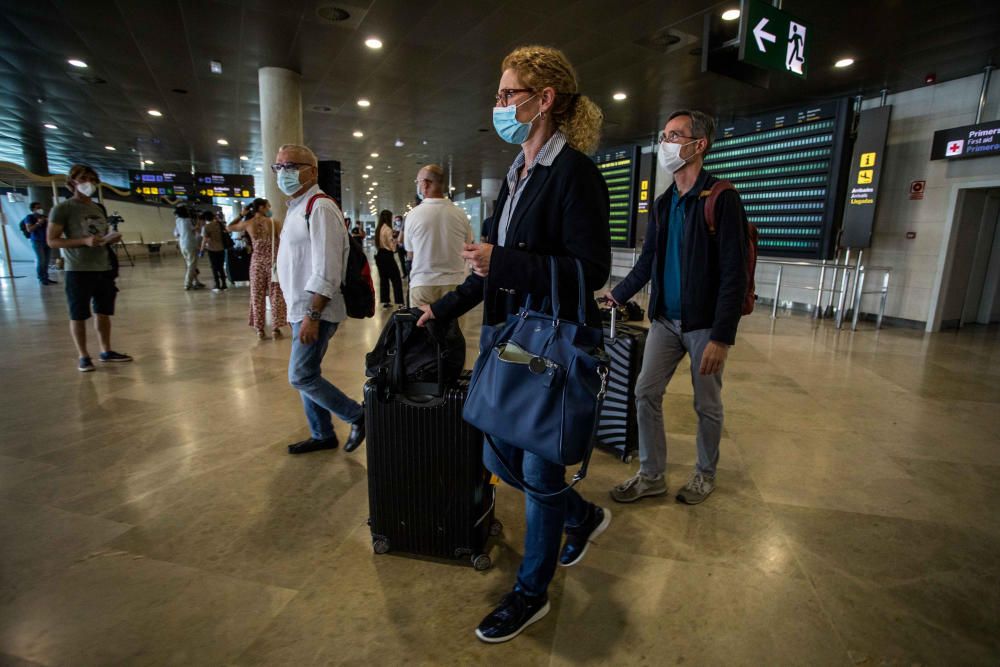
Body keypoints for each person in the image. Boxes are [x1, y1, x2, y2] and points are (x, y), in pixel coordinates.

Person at [417, 45, 611, 643]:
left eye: (507, 95)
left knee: (536, 464)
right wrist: (442, 309)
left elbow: (590, 271)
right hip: (510, 338)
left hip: (549, 347)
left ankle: (532, 592)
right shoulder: (519, 174)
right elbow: (491, 271)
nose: (498, 105)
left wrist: (507, 260)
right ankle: (583, 515)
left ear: (543, 99)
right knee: (496, 451)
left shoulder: (575, 174)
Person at [606, 109, 748, 507]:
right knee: (644, 392)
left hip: (705, 326)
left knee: (707, 404)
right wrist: (619, 293)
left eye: (675, 135)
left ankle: (705, 474)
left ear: (698, 145)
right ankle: (651, 474)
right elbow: (649, 260)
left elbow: (733, 275)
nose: (666, 143)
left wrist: (722, 336)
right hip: (666, 322)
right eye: (665, 135)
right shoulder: (665, 203)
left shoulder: (722, 198)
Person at [273, 143, 366, 455]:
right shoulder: (297, 207)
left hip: (316, 309)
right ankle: (322, 433)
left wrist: (313, 316)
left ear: (311, 171)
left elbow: (327, 267)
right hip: (301, 308)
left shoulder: (320, 207)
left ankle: (358, 415)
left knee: (300, 375)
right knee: (307, 375)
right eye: (278, 167)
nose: (282, 173)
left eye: (290, 166)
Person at [47, 164, 132, 372]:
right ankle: (83, 355)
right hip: (78, 268)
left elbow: (100, 235)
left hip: (102, 266)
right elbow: (52, 241)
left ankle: (106, 350)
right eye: (84, 178)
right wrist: (83, 241)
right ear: (72, 182)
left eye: (93, 179)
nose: (89, 183)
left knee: (103, 312)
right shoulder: (62, 209)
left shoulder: (98, 208)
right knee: (78, 313)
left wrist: (110, 238)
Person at [403, 165, 472, 308]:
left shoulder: (413, 215)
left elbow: (410, 254)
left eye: (418, 182)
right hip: (455, 284)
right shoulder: (460, 214)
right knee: (453, 330)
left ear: (425, 184)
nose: (418, 186)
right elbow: (467, 248)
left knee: (422, 328)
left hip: (423, 284)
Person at [227, 198, 288, 339]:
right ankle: (275, 328)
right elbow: (284, 241)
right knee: (276, 295)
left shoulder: (248, 223)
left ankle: (260, 330)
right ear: (261, 207)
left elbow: (229, 227)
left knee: (257, 295)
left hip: (256, 263)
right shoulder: (274, 223)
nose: (270, 208)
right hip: (273, 263)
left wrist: (242, 214)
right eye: (268, 206)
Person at [373, 209, 404, 308]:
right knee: (396, 279)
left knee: (384, 279)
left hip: (379, 255)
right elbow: (393, 247)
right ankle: (399, 302)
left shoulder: (379, 229)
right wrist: (395, 240)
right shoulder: (388, 230)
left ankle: (385, 301)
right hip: (387, 255)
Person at [20, 201, 56, 285]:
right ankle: (41, 278)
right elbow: (29, 229)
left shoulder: (44, 217)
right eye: (38, 208)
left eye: (40, 207)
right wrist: (39, 223)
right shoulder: (29, 217)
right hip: (37, 241)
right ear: (33, 209)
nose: (40, 209)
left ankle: (46, 277)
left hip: (46, 240)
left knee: (47, 261)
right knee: (41, 260)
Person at [174, 205, 204, 290]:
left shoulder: (177, 221)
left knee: (189, 264)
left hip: (182, 245)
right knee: (192, 265)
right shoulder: (187, 220)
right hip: (190, 244)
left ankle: (196, 282)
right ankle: (187, 284)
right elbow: (194, 229)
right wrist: (198, 223)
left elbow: (176, 233)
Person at [200, 210, 227, 292]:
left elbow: (204, 239)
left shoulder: (206, 227)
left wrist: (201, 250)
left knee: (214, 267)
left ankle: (217, 285)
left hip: (212, 249)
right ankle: (224, 284)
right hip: (221, 248)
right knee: (221, 267)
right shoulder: (219, 224)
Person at [393, 214, 409, 278]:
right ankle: (405, 273)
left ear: (401, 221)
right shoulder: (395, 228)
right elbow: (394, 238)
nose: (397, 222)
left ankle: (409, 272)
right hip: (399, 247)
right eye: (396, 221)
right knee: (402, 261)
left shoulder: (406, 228)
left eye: (399, 220)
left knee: (408, 260)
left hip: (406, 247)